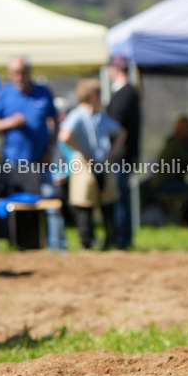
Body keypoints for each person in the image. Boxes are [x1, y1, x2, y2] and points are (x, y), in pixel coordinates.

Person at [58, 79, 126, 250]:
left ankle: (109, 241)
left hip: (102, 163)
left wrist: (111, 155)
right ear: (93, 96)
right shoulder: (77, 115)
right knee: (84, 206)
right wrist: (84, 154)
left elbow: (121, 133)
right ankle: (87, 242)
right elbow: (64, 136)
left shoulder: (100, 116)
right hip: (84, 164)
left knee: (108, 203)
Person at [0, 56, 59, 195]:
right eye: (16, 73)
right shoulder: (3, 94)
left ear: (29, 72)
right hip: (12, 163)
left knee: (49, 198)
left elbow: (56, 122)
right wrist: (10, 122)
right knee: (13, 201)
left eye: (23, 72)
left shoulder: (43, 92)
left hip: (40, 162)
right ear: (10, 74)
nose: (20, 77)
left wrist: (50, 149)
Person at [105, 55, 141, 249]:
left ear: (115, 69)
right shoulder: (129, 92)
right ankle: (123, 239)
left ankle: (121, 240)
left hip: (120, 157)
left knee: (119, 198)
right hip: (124, 156)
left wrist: (110, 154)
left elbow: (115, 126)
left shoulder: (124, 94)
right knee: (121, 198)